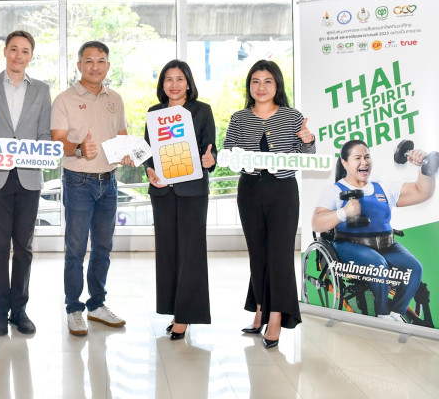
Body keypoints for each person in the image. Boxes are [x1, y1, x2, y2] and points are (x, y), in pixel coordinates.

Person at [223, 59, 315, 348]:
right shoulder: (239, 118)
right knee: (258, 253)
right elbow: (228, 153)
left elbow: (307, 155)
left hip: (282, 191)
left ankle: (276, 316)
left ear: (277, 85)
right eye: (255, 81)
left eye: (267, 81)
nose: (261, 87)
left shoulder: (292, 116)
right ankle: (260, 309)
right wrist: (234, 157)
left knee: (280, 254)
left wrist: (308, 139)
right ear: (249, 86)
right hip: (250, 189)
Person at [0, 30, 53, 336]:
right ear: (5, 51)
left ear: (31, 56)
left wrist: (44, 150)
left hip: (29, 176)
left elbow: (44, 133)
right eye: (14, 49)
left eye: (25, 51)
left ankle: (20, 310)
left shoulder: (42, 90)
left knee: (24, 247)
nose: (19, 55)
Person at [51, 40, 133, 337]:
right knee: (75, 249)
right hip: (78, 181)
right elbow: (57, 140)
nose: (95, 66)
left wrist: (127, 152)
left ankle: (96, 304)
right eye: (88, 61)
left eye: (100, 61)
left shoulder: (115, 99)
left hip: (108, 182)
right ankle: (74, 308)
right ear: (79, 65)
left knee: (103, 247)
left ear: (108, 66)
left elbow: (122, 135)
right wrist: (77, 149)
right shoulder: (64, 100)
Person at [311, 139, 434, 322]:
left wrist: (425, 169)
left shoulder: (382, 187)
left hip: (385, 244)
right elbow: (317, 223)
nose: (364, 162)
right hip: (350, 245)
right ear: (345, 162)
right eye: (358, 158)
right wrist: (343, 213)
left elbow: (422, 192)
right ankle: (382, 314)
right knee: (378, 266)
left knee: (414, 267)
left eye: (367, 157)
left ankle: (395, 313)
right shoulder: (334, 190)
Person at [144, 60, 216, 341]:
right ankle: (173, 309)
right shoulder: (154, 113)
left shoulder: (202, 110)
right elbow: (149, 153)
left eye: (179, 79)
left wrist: (210, 160)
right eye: (168, 79)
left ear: (188, 83)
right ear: (162, 84)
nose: (174, 84)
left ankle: (185, 315)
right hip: (163, 192)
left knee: (191, 252)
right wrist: (149, 171)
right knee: (167, 253)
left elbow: (211, 149)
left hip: (192, 192)